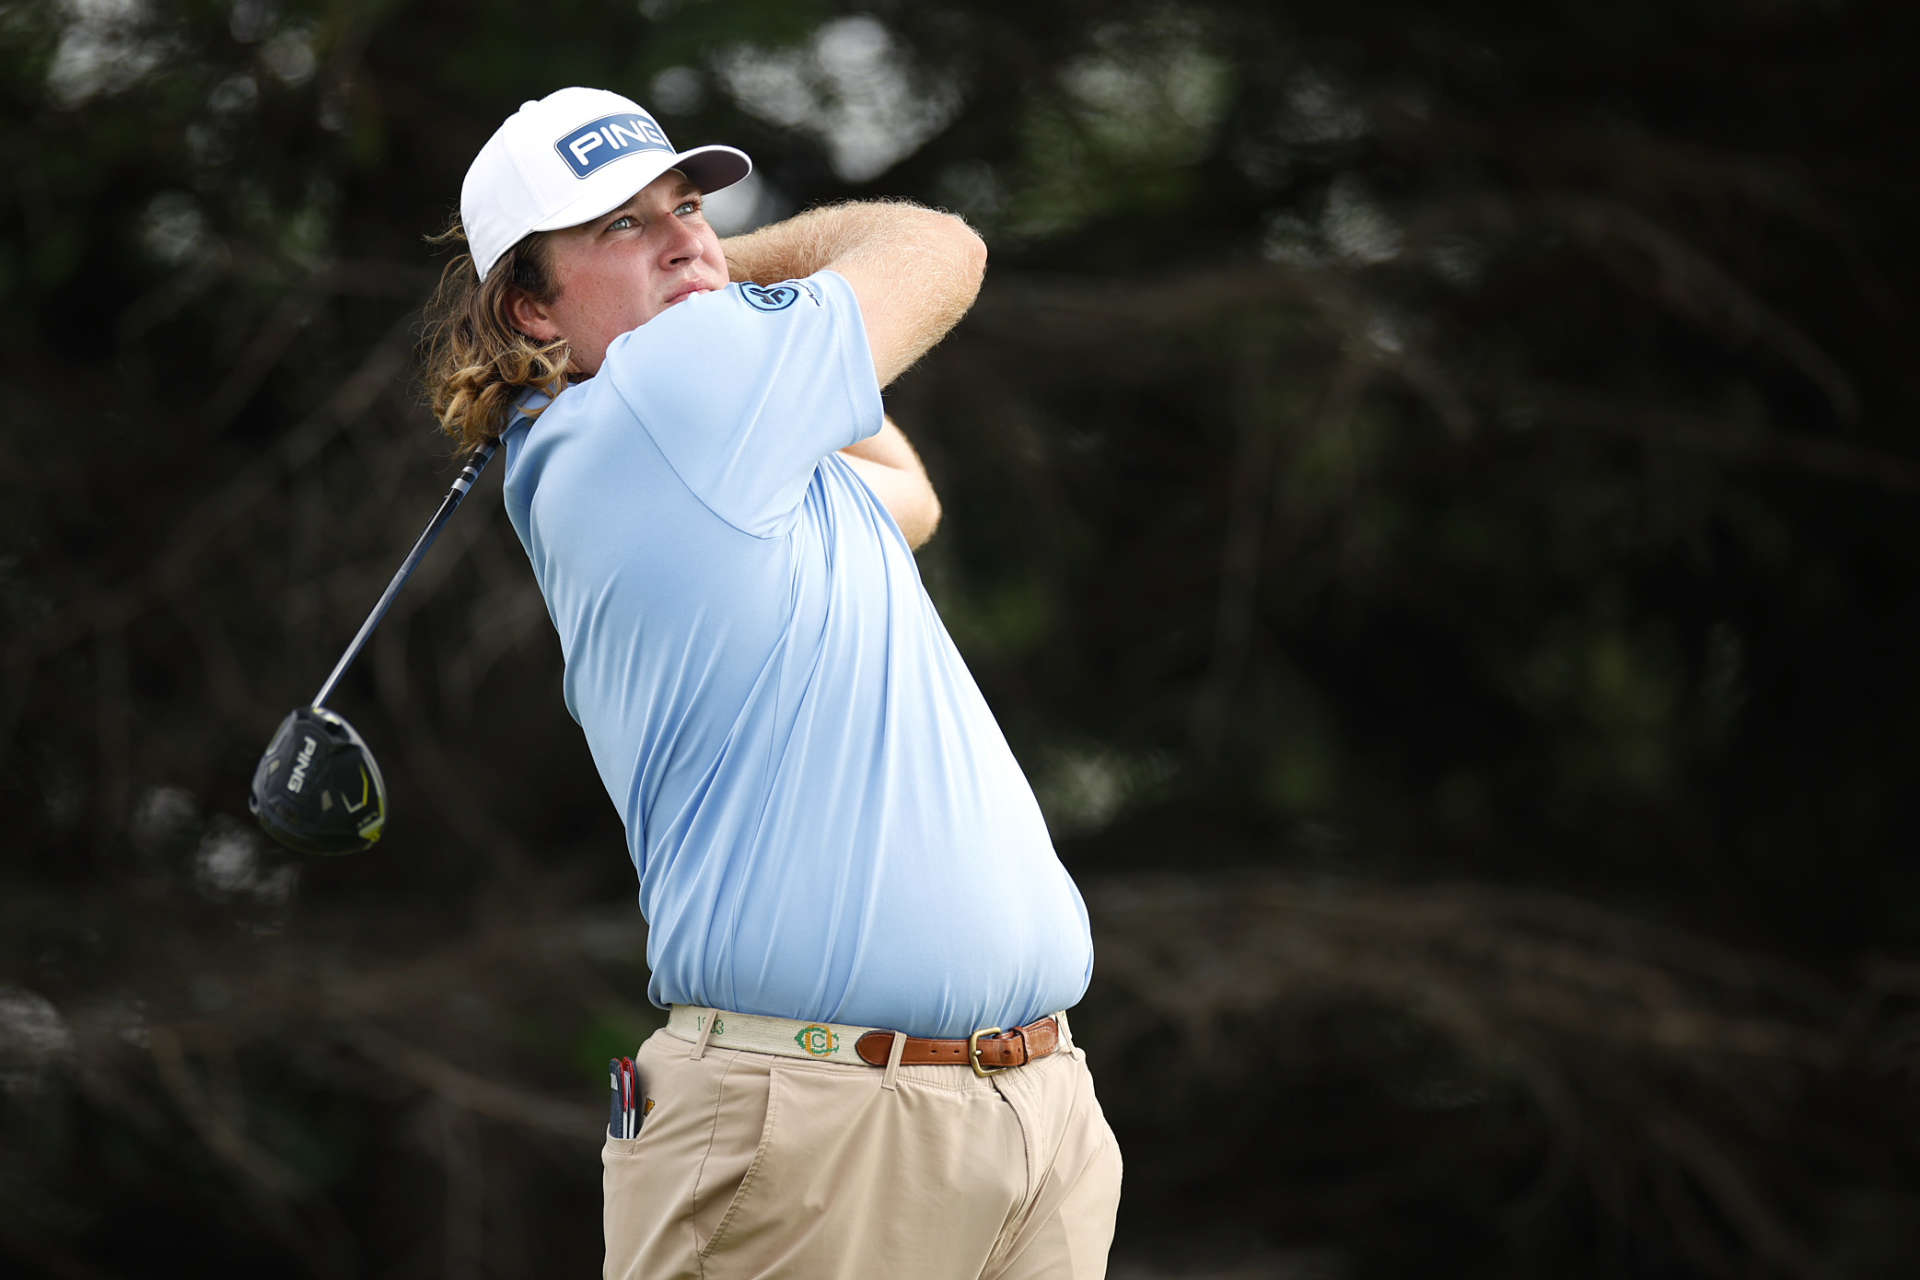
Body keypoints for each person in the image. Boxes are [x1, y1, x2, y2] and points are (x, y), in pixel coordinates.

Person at [420, 86, 1121, 1278]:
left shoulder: (716, 445)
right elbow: (940, 249)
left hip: (1028, 1110)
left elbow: (910, 493)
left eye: (687, 204)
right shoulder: (661, 398)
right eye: (619, 226)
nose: (684, 234)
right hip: (813, 1120)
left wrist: (686, 270)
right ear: (531, 306)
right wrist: (730, 269)